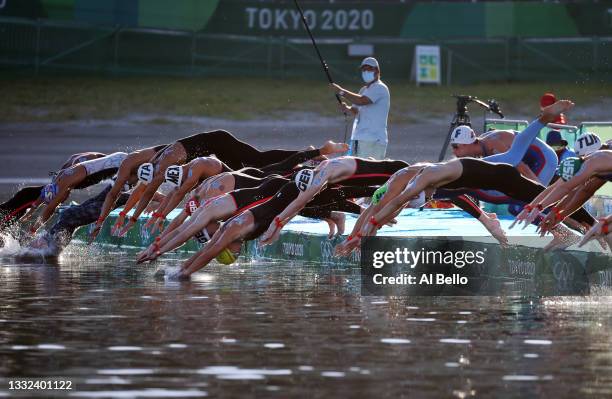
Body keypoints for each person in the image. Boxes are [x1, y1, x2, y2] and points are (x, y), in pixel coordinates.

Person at [331, 57, 390, 159]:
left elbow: (362, 101)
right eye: (364, 69)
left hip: (374, 140)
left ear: (376, 70)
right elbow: (354, 111)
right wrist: (347, 109)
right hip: (358, 138)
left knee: (370, 172)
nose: (366, 72)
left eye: (369, 69)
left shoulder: (380, 87)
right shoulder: (363, 90)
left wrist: (341, 91)